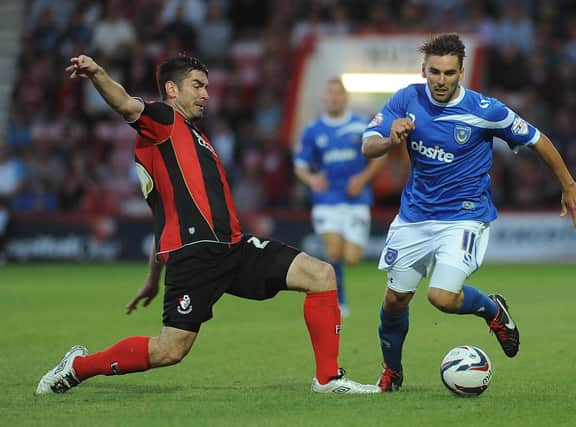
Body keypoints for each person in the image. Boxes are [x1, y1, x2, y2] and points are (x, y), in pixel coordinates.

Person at [35, 54, 380, 395]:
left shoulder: (192, 135)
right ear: (172, 89)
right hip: (195, 253)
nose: (206, 95)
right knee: (170, 350)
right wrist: (97, 73)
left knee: (321, 275)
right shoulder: (163, 118)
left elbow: (165, 213)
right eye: (198, 86)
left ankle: (328, 380)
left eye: (208, 87)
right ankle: (78, 367)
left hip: (233, 247)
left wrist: (152, 277)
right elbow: (126, 105)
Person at [361, 33, 576, 392]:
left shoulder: (486, 111)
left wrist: (569, 184)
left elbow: (537, 139)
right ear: (423, 69)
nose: (441, 80)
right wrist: (390, 139)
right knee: (394, 300)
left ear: (461, 72)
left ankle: (491, 310)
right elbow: (368, 146)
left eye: (449, 73)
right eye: (435, 72)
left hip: (464, 216)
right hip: (414, 216)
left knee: (440, 297)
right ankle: (392, 373)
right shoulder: (406, 98)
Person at [294, 78, 385, 316]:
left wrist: (362, 179)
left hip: (356, 200)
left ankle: (335, 292)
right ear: (325, 98)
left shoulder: (360, 125)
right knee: (333, 253)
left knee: (352, 258)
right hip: (327, 200)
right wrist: (312, 179)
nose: (334, 97)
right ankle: (339, 301)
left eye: (338, 93)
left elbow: (379, 157)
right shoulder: (314, 130)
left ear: (345, 97)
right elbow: (300, 165)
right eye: (330, 93)